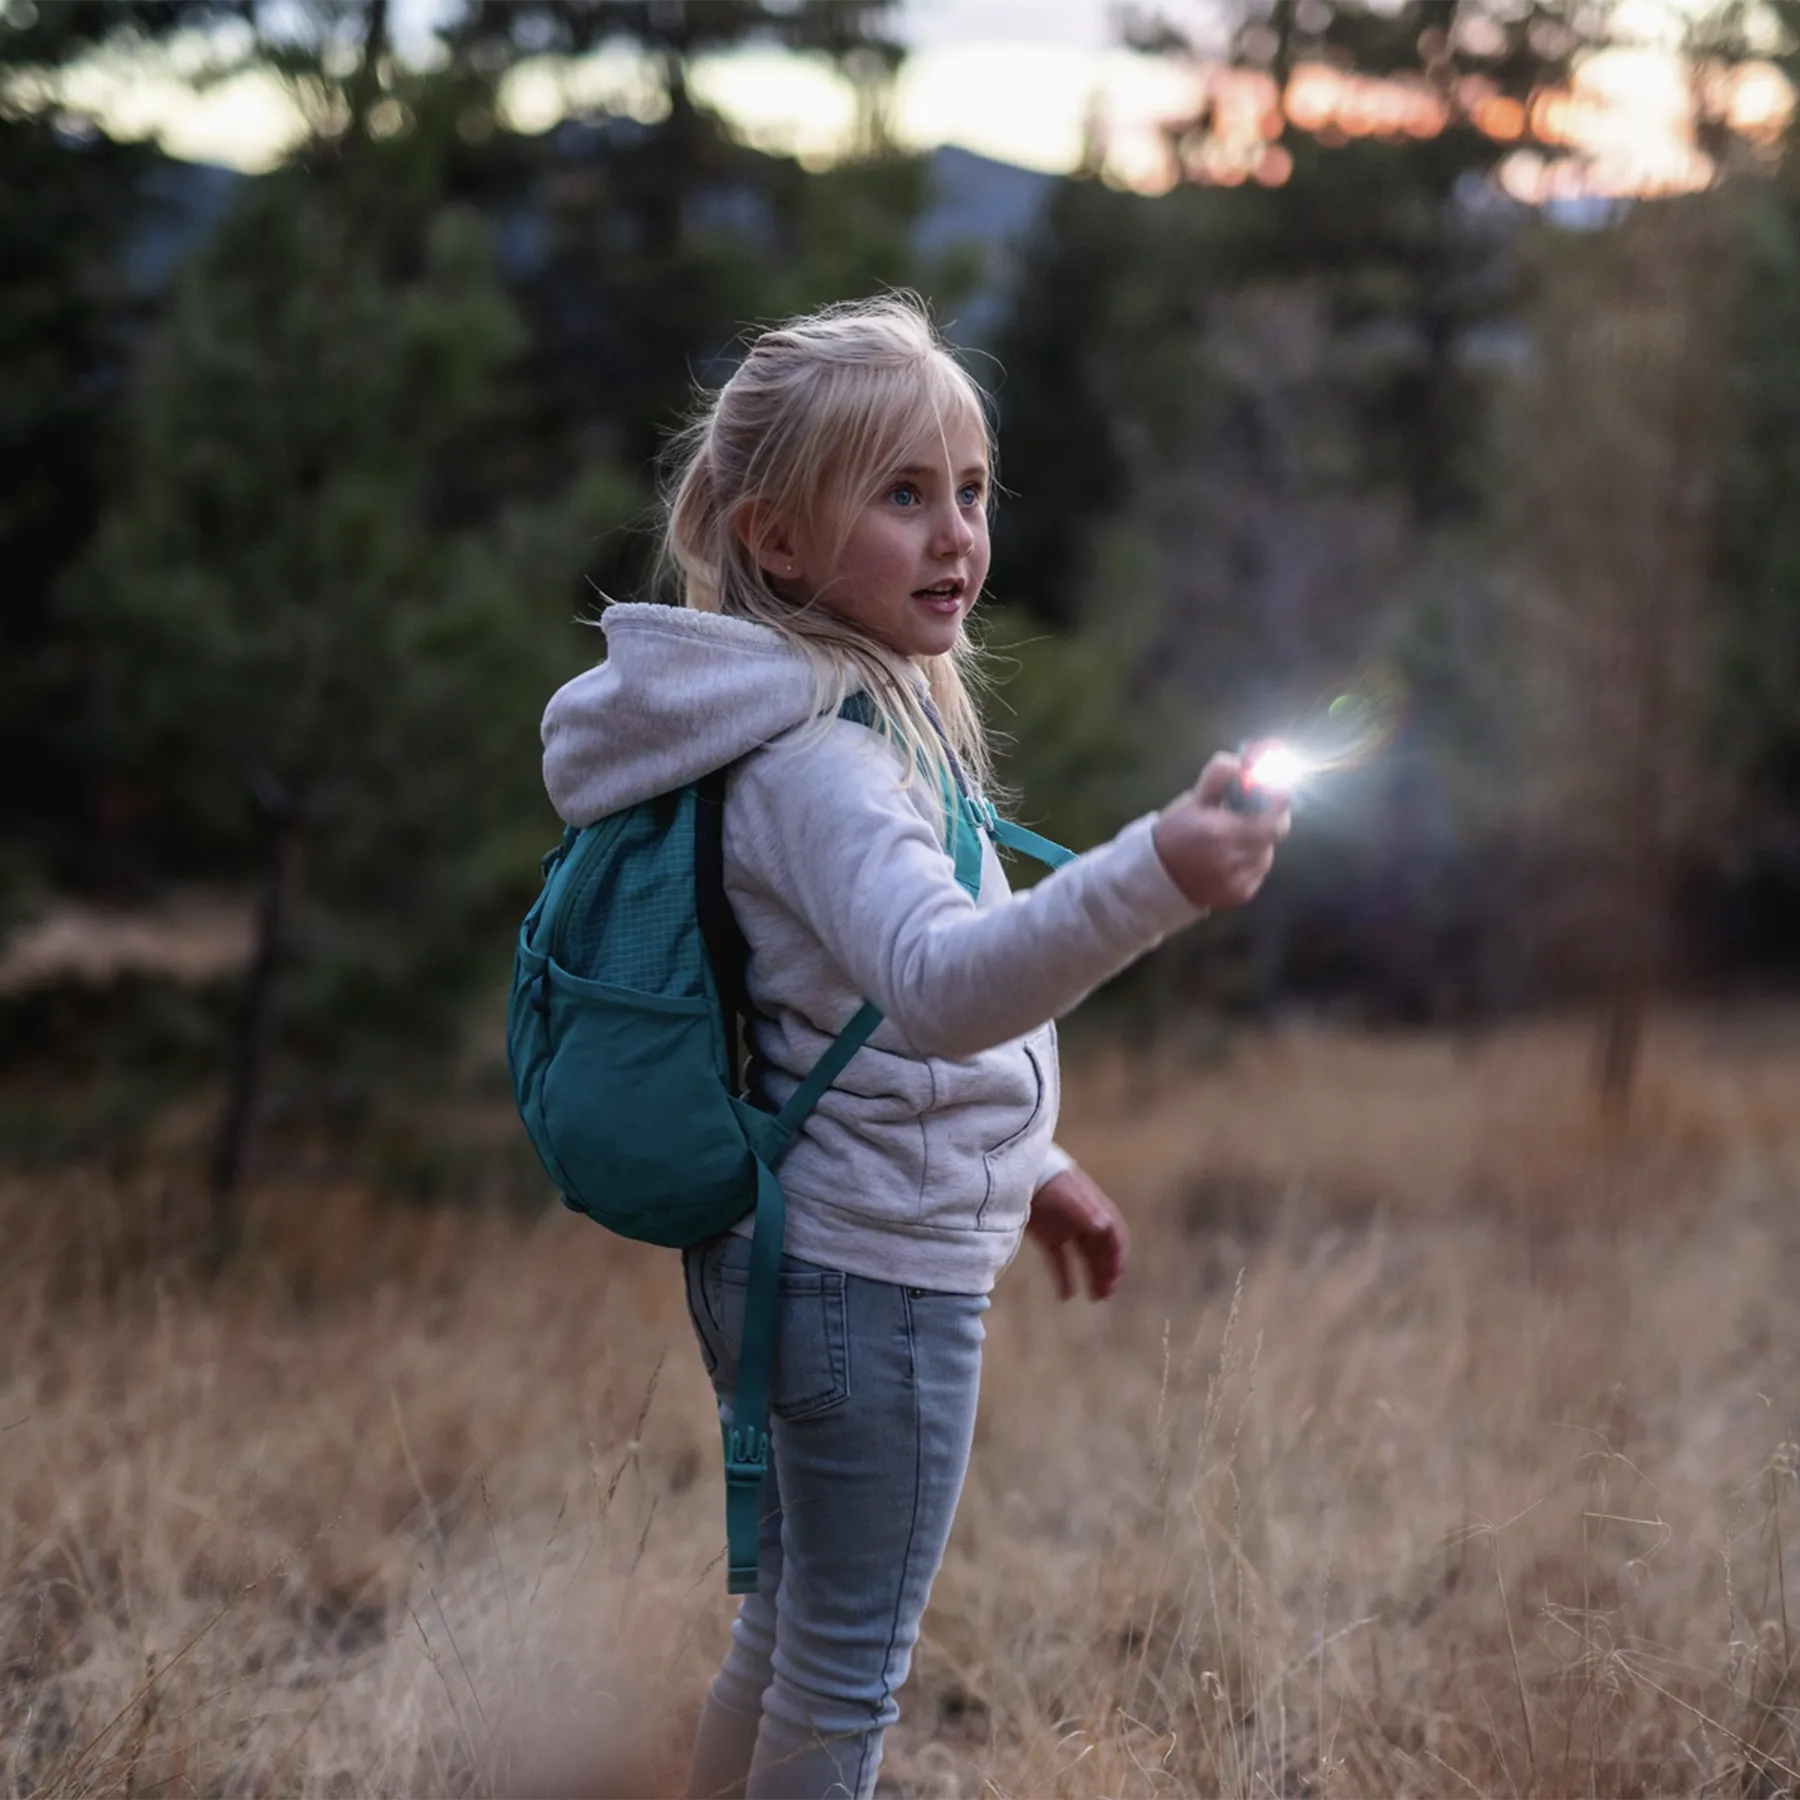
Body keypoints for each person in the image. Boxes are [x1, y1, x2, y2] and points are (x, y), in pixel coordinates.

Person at [538, 294, 1290, 1800]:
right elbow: (941, 988)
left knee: (791, 1641)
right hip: (868, 1278)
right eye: (900, 494)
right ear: (779, 543)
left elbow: (858, 1019)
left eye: (971, 489)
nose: (955, 534)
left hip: (806, 1249)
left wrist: (1037, 1162)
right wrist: (1157, 872)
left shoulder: (837, 722)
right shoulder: (823, 765)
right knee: (846, 1672)